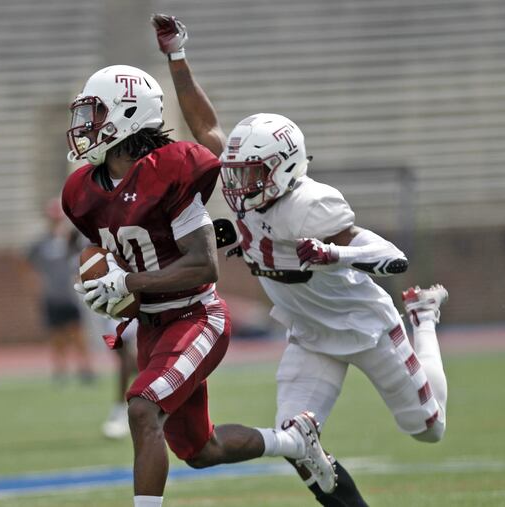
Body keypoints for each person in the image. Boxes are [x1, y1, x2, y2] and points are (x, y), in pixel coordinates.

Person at [152, 14, 450, 506]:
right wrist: (177, 56)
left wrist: (337, 252)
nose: (238, 186)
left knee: (428, 429)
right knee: (295, 439)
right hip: (309, 332)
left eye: (251, 175)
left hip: (364, 326)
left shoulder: (312, 205)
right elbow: (205, 125)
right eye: (239, 173)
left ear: (285, 168)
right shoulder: (245, 185)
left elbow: (390, 254)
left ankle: (423, 318)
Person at [62, 64, 336, 507]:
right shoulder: (82, 190)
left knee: (141, 407)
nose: (85, 125)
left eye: (95, 113)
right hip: (154, 327)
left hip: (196, 317)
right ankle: (295, 442)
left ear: (127, 113)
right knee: (201, 450)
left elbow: (204, 266)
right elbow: (112, 251)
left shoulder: (169, 170)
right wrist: (108, 289)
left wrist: (127, 281)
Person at [25, 198, 96, 384]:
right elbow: (27, 265)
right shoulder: (40, 243)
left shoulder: (71, 240)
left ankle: (85, 368)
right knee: (57, 335)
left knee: (78, 333)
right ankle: (60, 370)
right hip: (52, 295)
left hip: (70, 294)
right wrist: (36, 286)